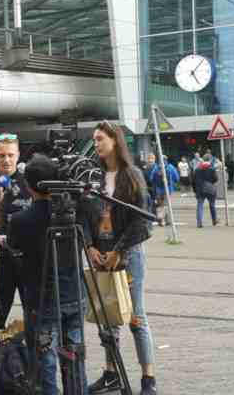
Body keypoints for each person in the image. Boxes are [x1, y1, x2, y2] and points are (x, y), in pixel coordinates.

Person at [86, 122, 157, 395]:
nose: (96, 144)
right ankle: (111, 372)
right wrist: (91, 246)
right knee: (108, 318)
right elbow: (85, 215)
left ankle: (148, 379)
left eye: (100, 139)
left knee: (136, 317)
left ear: (115, 140)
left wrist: (119, 251)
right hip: (101, 255)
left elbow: (141, 223)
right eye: (94, 140)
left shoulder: (132, 175)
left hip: (128, 254)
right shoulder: (94, 176)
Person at [6, 153, 87, 395]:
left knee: (45, 361)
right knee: (74, 356)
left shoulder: (21, 220)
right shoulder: (74, 212)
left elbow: (15, 248)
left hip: (43, 300)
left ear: (29, 187)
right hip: (75, 295)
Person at [0, 133, 30, 333]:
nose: (6, 160)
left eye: (10, 155)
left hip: (26, 261)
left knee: (32, 315)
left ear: (18, 156)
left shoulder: (29, 183)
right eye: (1, 155)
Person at [149, 155, 179, 226]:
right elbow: (177, 178)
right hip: (168, 190)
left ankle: (161, 219)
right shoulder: (170, 167)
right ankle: (165, 220)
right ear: (166, 160)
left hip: (158, 190)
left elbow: (151, 178)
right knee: (167, 205)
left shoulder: (156, 167)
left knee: (160, 205)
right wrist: (172, 182)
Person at [193, 154, 218, 228]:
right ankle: (214, 220)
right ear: (210, 159)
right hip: (210, 189)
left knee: (200, 205)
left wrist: (195, 190)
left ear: (203, 159)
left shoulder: (197, 169)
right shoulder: (212, 169)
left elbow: (193, 181)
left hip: (200, 190)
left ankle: (199, 222)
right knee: (212, 205)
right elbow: (216, 179)